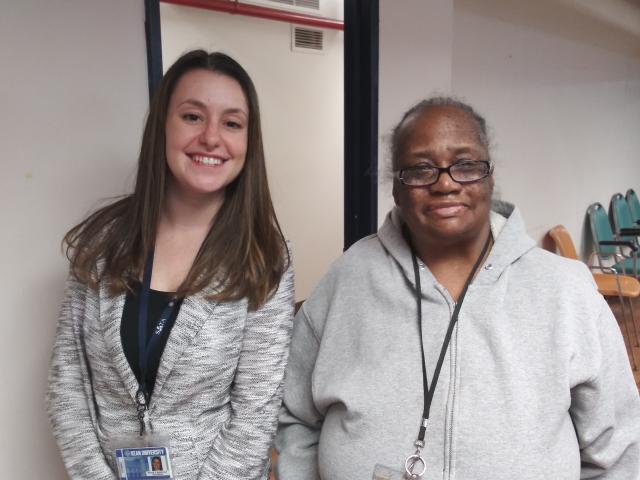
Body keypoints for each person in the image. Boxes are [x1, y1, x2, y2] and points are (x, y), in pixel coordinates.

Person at [275, 97, 640, 479]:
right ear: (396, 188)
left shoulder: (566, 291)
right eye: (420, 169)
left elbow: (618, 450)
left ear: (490, 177)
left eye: (465, 165)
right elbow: (296, 417)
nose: (446, 183)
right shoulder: (346, 280)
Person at [46, 50, 294, 479]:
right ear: (162, 124)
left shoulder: (264, 257)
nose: (212, 138)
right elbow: (67, 384)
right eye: (193, 116)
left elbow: (256, 412)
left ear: (248, 142)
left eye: (232, 123)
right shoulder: (102, 243)